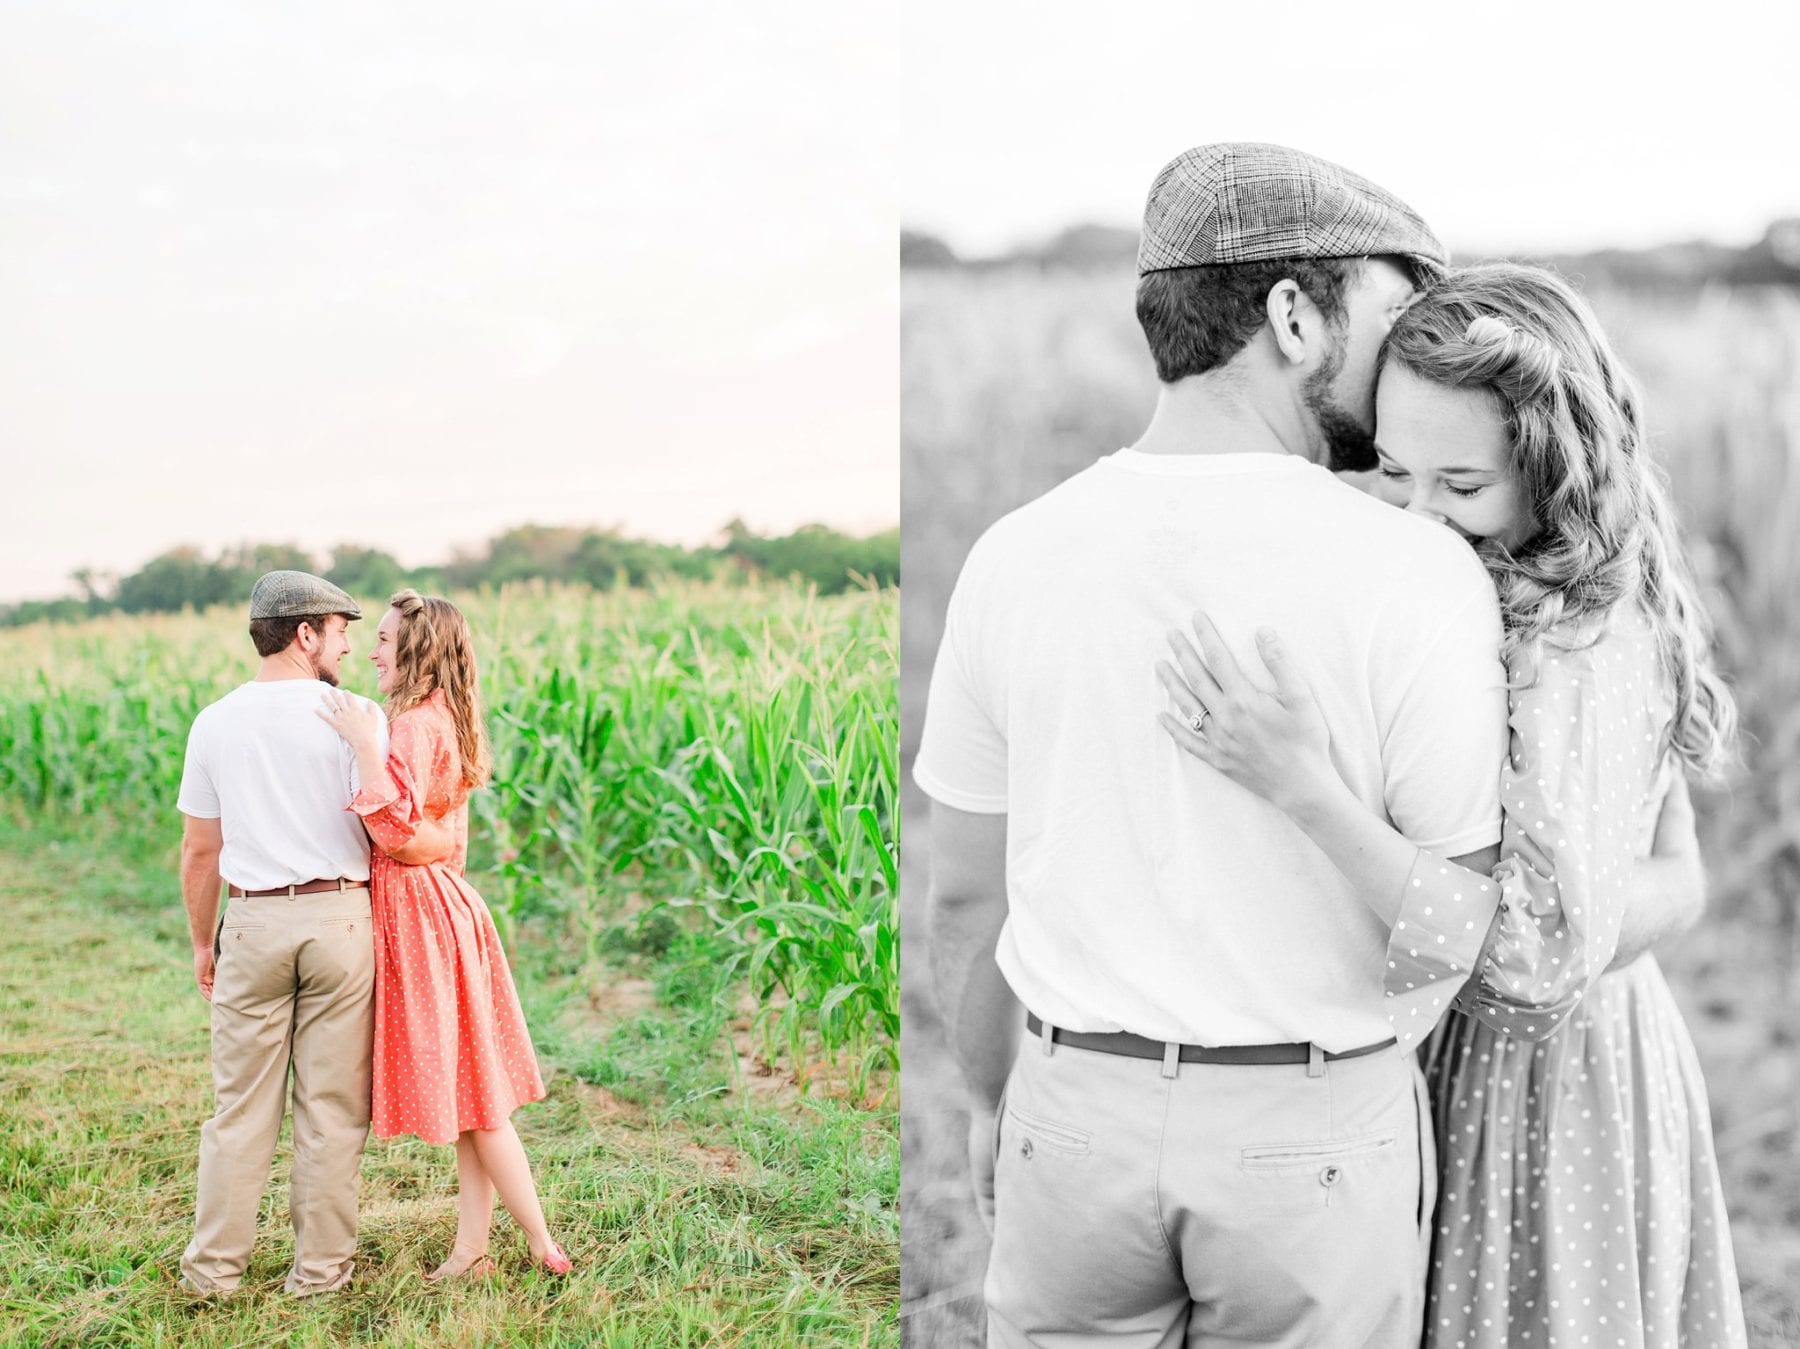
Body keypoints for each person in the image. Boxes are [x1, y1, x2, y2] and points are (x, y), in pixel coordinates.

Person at [917, 142, 1517, 1346]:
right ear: (1296, 315)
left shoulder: (1012, 555)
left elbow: (965, 901)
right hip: (1316, 1132)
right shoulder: (1421, 572)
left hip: (1070, 1107)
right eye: (1393, 310)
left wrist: (1003, 1104)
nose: (1407, 357)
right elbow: (1456, 925)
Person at [1157, 263, 1747, 1347]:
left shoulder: (1572, 642)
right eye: (1394, 467)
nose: (1418, 515)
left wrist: (1305, 786)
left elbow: (1525, 967)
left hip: (1540, 1084)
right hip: (1531, 1050)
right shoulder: (1534, 572)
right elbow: (1670, 863)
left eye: (1460, 486)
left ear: (1557, 465)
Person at [177, 569, 446, 1297]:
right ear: (305, 634)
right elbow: (390, 825)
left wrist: (206, 942)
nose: (350, 648)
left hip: (255, 919)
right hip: (340, 918)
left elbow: (202, 849)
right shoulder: (358, 713)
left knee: (239, 1110)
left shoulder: (216, 721)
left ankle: (213, 1274)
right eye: (340, 631)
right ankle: (320, 1275)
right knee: (330, 1110)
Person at [317, 588, 570, 1279]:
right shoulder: (447, 717)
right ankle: (473, 1249)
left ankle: (544, 1242)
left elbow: (395, 832)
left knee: (480, 1104)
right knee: (470, 1097)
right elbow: (447, 835)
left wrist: (368, 751)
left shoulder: (408, 728)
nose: (372, 651)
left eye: (386, 640)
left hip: (420, 914)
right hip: (449, 903)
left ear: (417, 651)